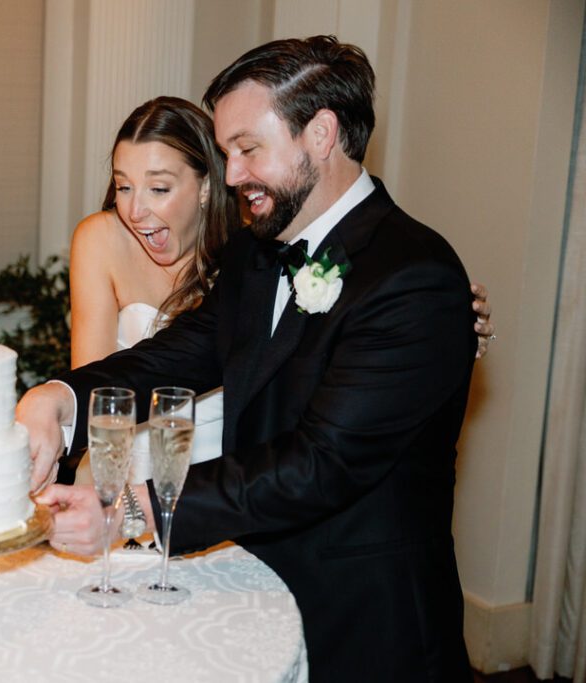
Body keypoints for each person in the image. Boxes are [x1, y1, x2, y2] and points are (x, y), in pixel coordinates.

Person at [19, 36, 476, 681]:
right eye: (227, 153)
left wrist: (128, 513)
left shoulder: (413, 276)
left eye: (247, 150)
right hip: (252, 584)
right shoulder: (257, 254)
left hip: (366, 620)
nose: (230, 175)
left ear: (321, 134)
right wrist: (57, 396)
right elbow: (174, 356)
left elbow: (318, 465)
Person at [70, 98, 494, 489]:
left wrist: (442, 328)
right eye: (124, 186)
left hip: (240, 483)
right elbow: (105, 395)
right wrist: (60, 400)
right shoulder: (103, 240)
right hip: (123, 475)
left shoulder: (260, 252)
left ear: (204, 186)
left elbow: (337, 345)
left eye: (159, 188)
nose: (135, 209)